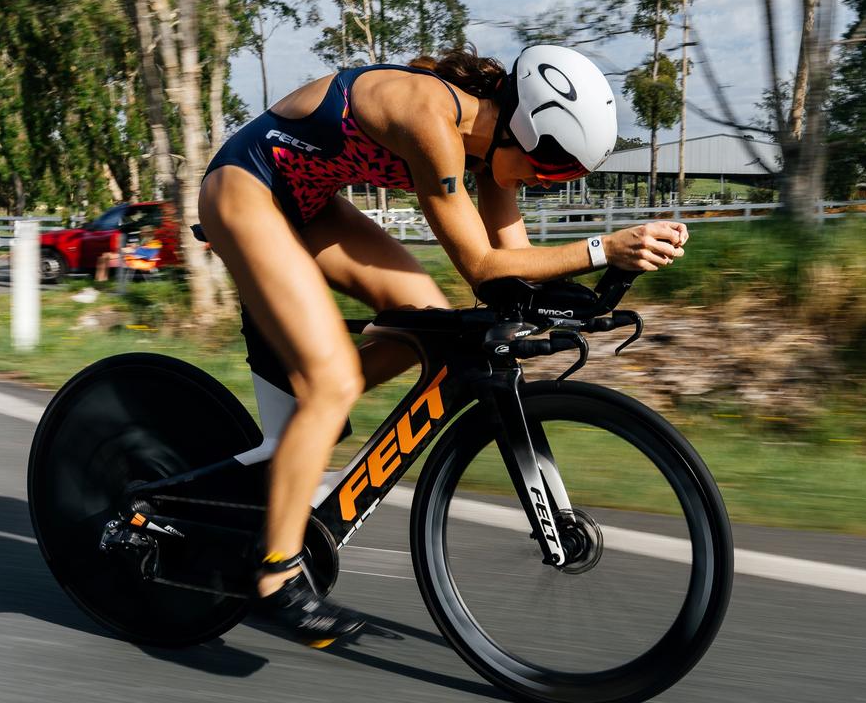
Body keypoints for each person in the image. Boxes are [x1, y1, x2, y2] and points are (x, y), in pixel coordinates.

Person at [197, 44, 688, 646]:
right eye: (549, 168)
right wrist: (601, 249)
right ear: (525, 130)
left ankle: (303, 429)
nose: (543, 182)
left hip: (312, 205)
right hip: (247, 189)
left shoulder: (492, 155)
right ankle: (274, 578)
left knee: (424, 328)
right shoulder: (428, 118)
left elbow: (517, 277)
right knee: (335, 384)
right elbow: (482, 265)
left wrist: (601, 290)